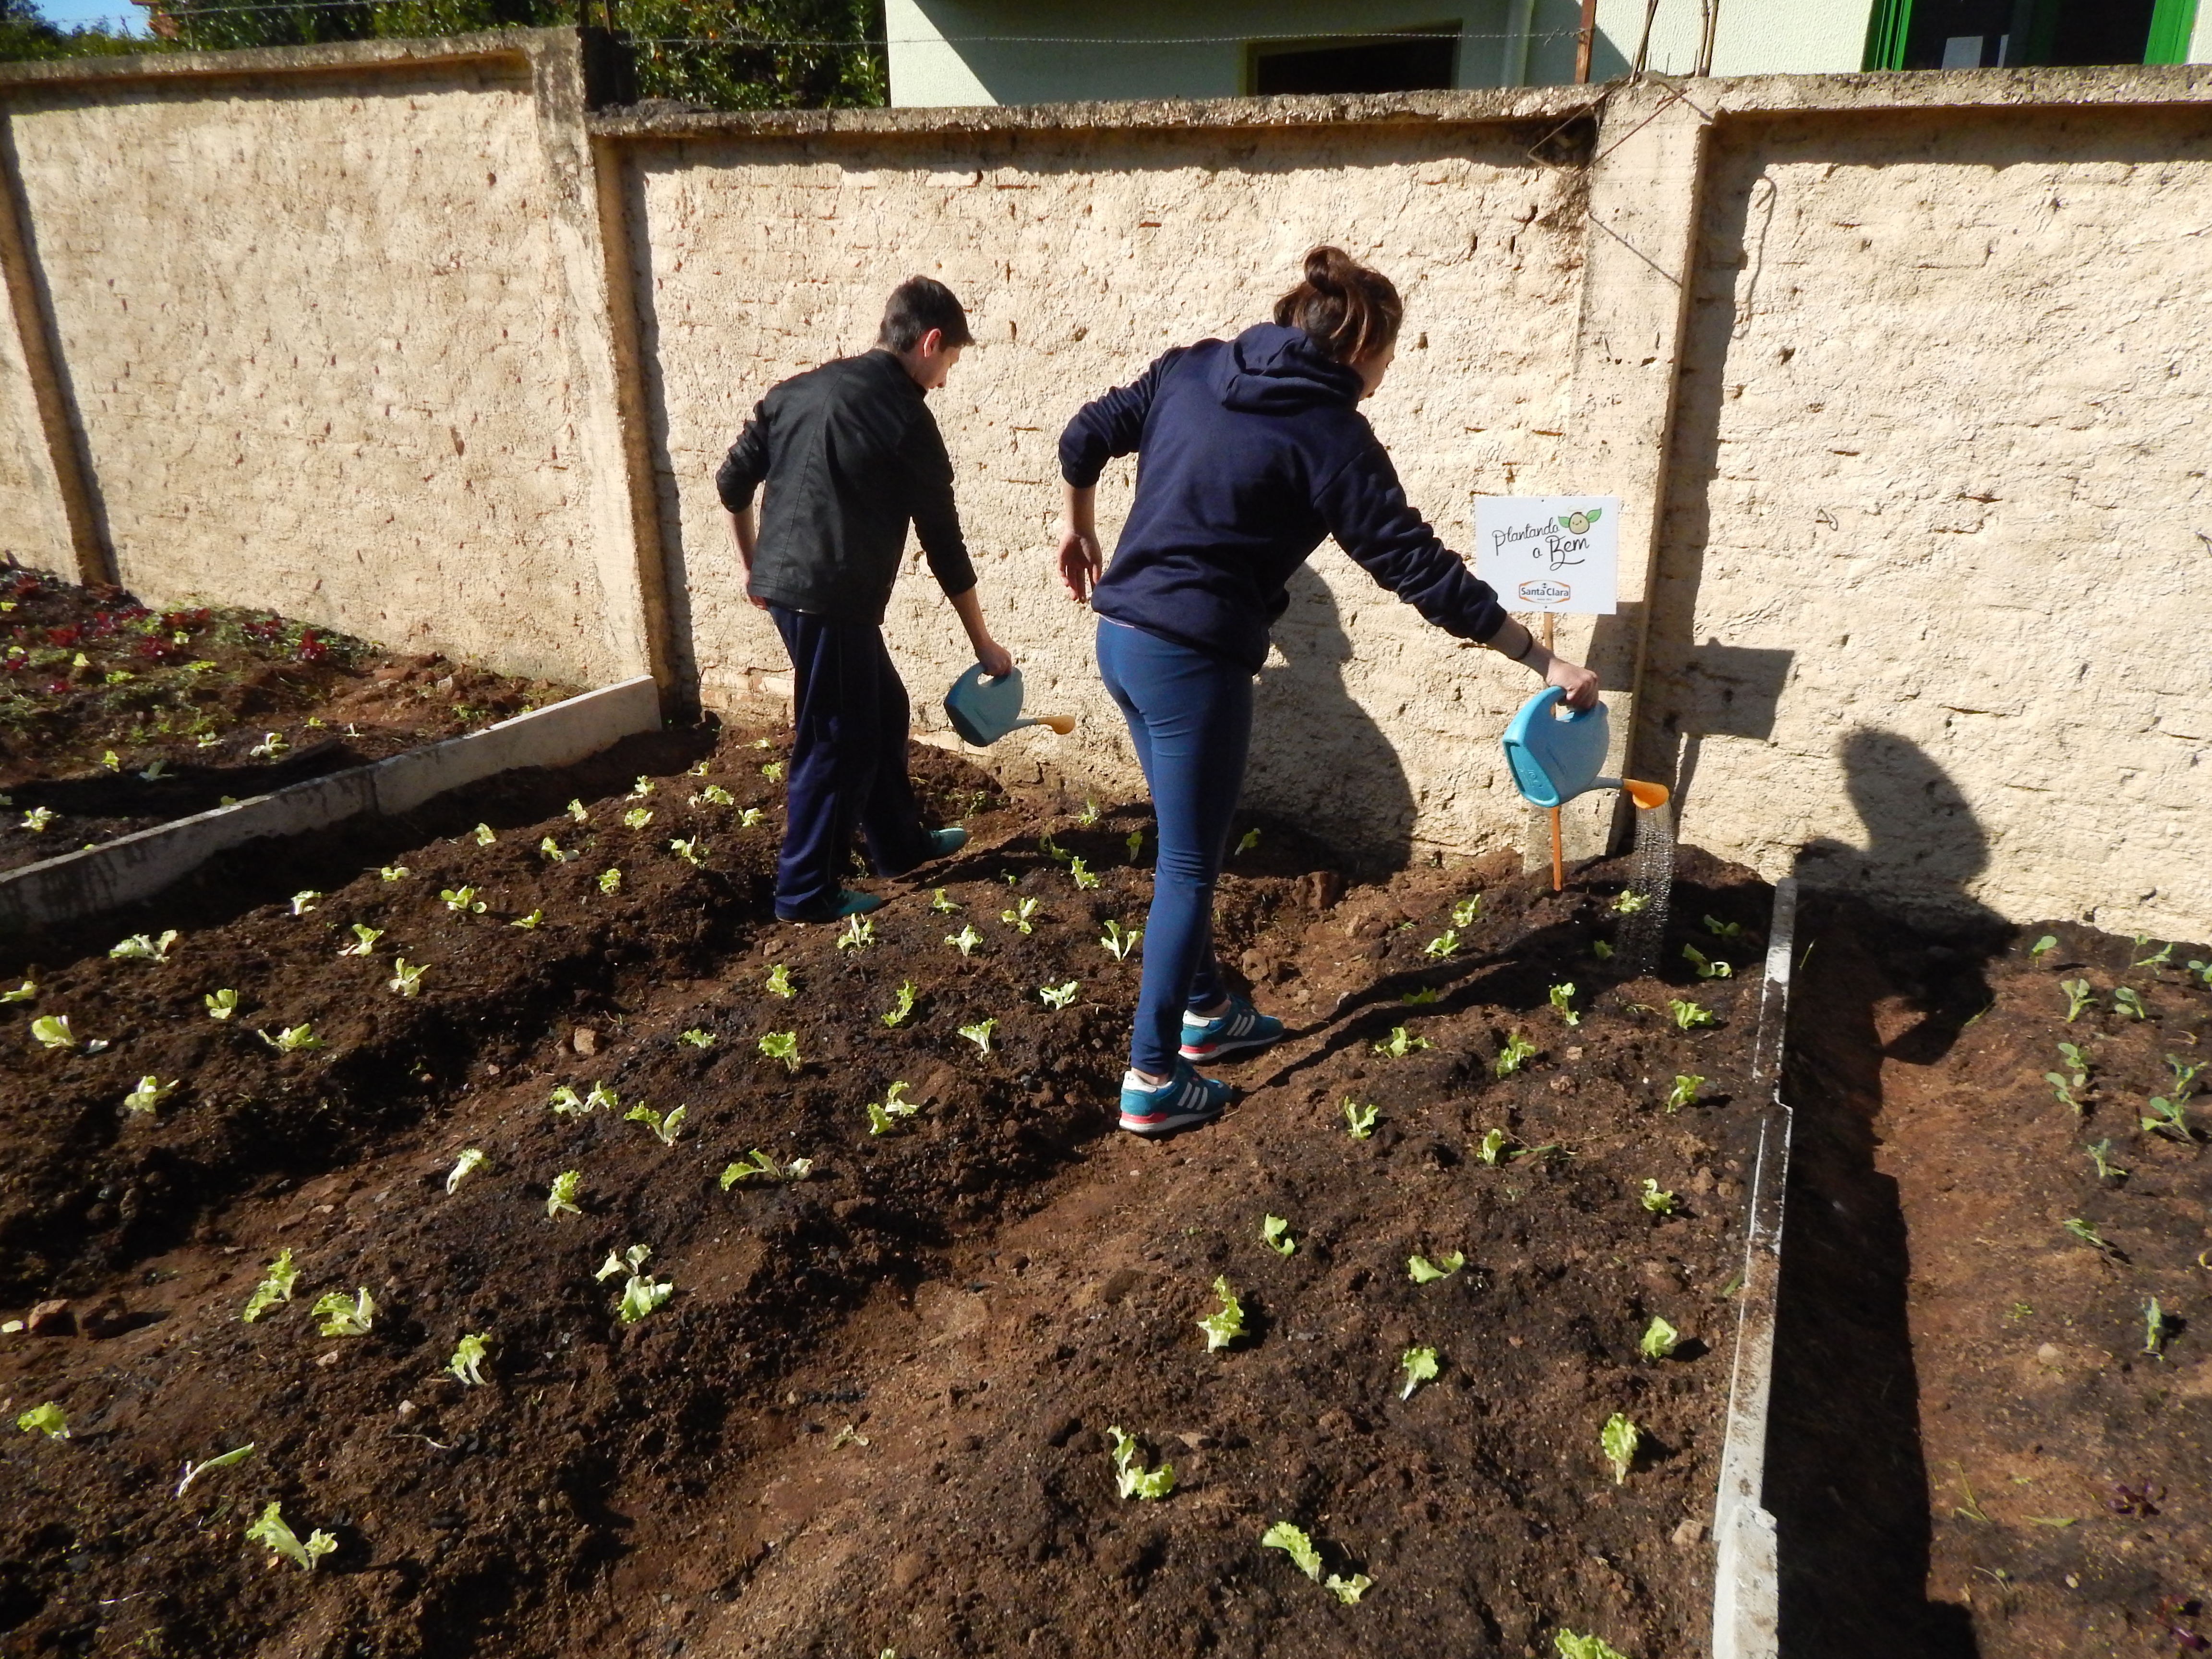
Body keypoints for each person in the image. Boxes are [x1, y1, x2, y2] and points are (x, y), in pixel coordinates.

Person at [1055, 245, 1601, 1137]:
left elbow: (1084, 435)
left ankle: (1208, 1016)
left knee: (1185, 840)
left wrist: (1080, 532)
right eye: (1390, 357)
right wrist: (1545, 664)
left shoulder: (1194, 366)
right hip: (1192, 661)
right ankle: (1152, 1080)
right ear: (1360, 350)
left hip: (1120, 640)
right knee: (1191, 866)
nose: (1386, 374)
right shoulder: (1332, 435)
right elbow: (1417, 566)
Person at [717, 276, 1015, 924]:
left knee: (883, 705)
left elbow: (732, 479)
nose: (944, 379)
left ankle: (899, 845)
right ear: (930, 343)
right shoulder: (906, 420)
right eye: (949, 364)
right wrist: (983, 643)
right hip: (832, 597)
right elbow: (944, 544)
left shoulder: (796, 391)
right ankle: (803, 893)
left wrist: (754, 569)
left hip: (799, 593)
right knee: (836, 737)